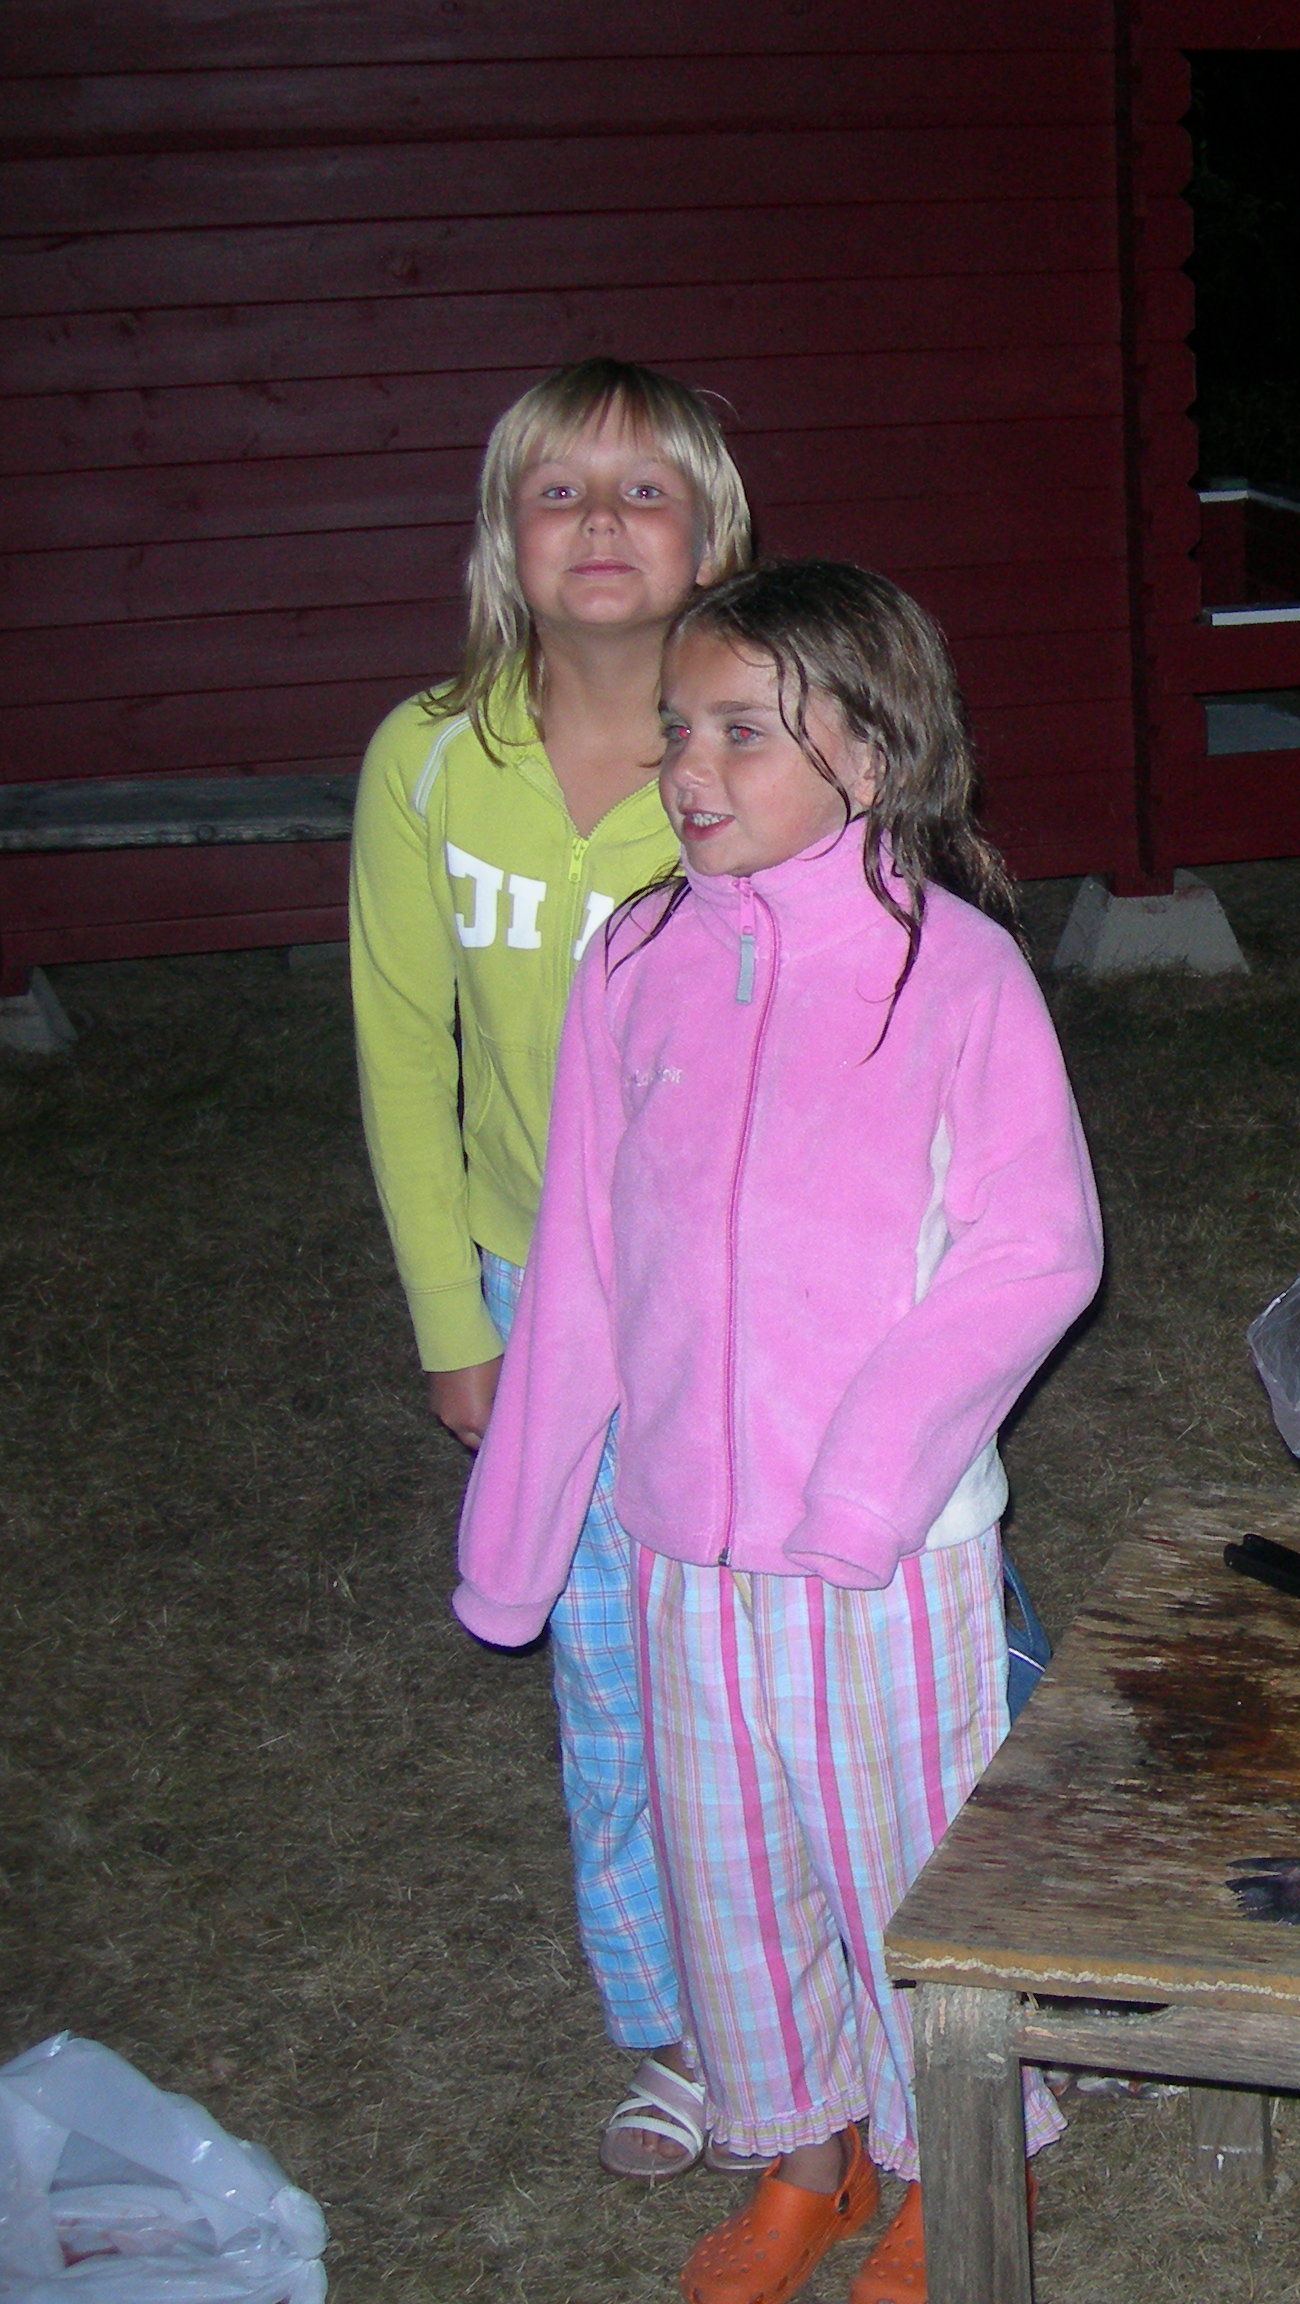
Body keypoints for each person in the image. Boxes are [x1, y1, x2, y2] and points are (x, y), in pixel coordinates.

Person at [453, 560, 1104, 2304]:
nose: (688, 769)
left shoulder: (952, 976)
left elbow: (1035, 1253)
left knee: (905, 1877)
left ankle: (955, 2162)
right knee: (726, 1869)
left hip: (887, 1555)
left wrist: (865, 1481)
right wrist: (518, 1533)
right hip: (681, 1533)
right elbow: (583, 1260)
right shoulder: (636, 957)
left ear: (872, 755)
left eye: (744, 732)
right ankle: (806, 2156)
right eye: (681, 729)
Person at [348, 358, 755, 2179]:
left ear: (715, 536)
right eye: (559, 490)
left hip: (755, 1299)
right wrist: (456, 1320)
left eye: (645, 488)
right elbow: (400, 1049)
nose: (602, 521)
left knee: (819, 1644)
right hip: (545, 1301)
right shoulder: (431, 758)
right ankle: (672, 2024)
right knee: (610, 1677)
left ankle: (921, 1948)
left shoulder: (769, 748)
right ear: (502, 537)